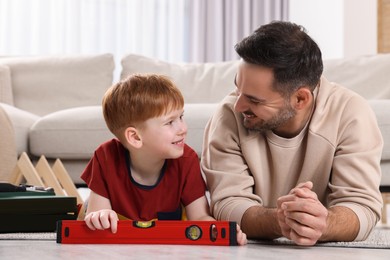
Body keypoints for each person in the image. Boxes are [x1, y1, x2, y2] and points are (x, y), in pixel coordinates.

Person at [201, 21, 383, 246]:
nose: (238, 105)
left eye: (255, 100)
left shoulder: (351, 113)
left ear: (300, 99)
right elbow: (226, 205)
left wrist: (324, 223)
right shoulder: (228, 116)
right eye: (238, 89)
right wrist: (281, 220)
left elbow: (363, 206)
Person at [81, 74, 247, 245]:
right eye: (170, 122)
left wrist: (223, 232)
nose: (183, 128)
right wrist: (99, 215)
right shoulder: (106, 156)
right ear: (135, 137)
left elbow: (199, 216)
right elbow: (96, 213)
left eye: (181, 117)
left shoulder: (186, 159)